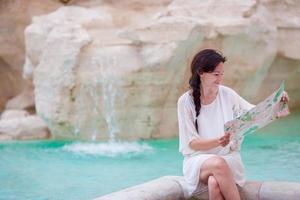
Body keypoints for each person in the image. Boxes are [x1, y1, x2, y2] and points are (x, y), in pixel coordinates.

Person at [177, 49, 289, 200]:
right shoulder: (185, 102)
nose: (220, 79)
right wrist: (218, 141)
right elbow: (193, 144)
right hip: (198, 161)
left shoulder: (227, 94)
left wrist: (277, 103)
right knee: (218, 164)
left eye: (222, 74)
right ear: (201, 72)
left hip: (228, 158)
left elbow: (254, 113)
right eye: (216, 74)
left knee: (213, 184)